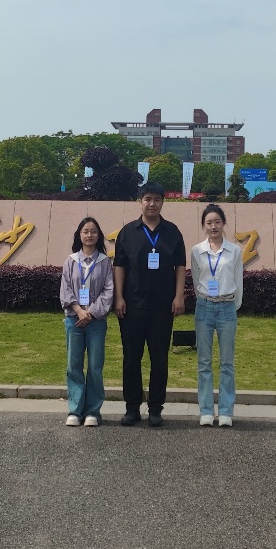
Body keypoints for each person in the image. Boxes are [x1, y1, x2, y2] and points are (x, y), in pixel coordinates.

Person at [113, 181, 187, 427]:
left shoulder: (172, 232)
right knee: (131, 358)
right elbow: (119, 266)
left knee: (159, 359)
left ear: (163, 202)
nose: (152, 203)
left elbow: (180, 266)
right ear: (140, 202)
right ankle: (131, 408)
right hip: (132, 306)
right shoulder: (128, 232)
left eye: (157, 199)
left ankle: (156, 408)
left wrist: (179, 296)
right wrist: (119, 297)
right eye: (147, 199)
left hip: (162, 307)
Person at [190, 203, 243, 427]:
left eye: (217, 222)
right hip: (204, 307)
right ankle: (206, 411)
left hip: (227, 307)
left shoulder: (235, 251)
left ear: (224, 223)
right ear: (204, 225)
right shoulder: (197, 251)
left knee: (227, 362)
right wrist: (205, 299)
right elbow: (196, 280)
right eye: (209, 223)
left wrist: (233, 305)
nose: (213, 226)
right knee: (204, 361)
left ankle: (225, 411)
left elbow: (238, 280)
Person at [59, 217, 114, 427]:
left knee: (95, 366)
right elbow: (65, 288)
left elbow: (108, 291)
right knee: (73, 365)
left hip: (96, 321)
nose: (89, 235)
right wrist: (78, 311)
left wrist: (89, 313)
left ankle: (92, 411)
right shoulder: (71, 261)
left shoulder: (105, 262)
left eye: (93, 231)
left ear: (99, 235)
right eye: (85, 231)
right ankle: (75, 410)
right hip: (74, 320)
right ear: (79, 235)